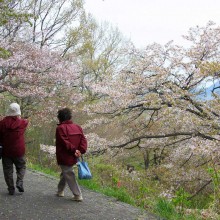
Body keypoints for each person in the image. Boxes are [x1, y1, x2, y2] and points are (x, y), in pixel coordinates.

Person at [55, 107, 87, 201]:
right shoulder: (78, 127)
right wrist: (80, 150)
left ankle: (78, 195)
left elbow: (64, 142)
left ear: (60, 118)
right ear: (70, 117)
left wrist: (74, 150)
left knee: (68, 173)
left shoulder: (60, 128)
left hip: (65, 155)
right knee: (65, 171)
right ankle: (60, 191)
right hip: (75, 155)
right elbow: (83, 140)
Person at [0, 103, 28, 195]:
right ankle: (19, 181)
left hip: (6, 151)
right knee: (21, 166)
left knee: (8, 170)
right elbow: (26, 122)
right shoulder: (23, 123)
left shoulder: (2, 123)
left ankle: (11, 189)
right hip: (19, 150)